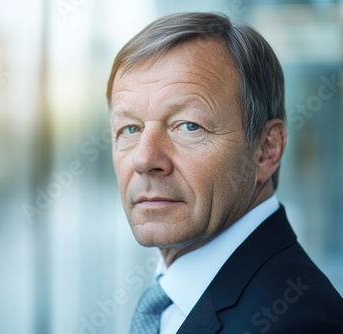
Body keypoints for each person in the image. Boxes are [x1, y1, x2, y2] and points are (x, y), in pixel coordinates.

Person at [107, 12, 343, 334]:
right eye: (130, 128)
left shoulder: (298, 322)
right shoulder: (171, 298)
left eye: (189, 126)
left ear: (266, 149)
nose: (144, 158)